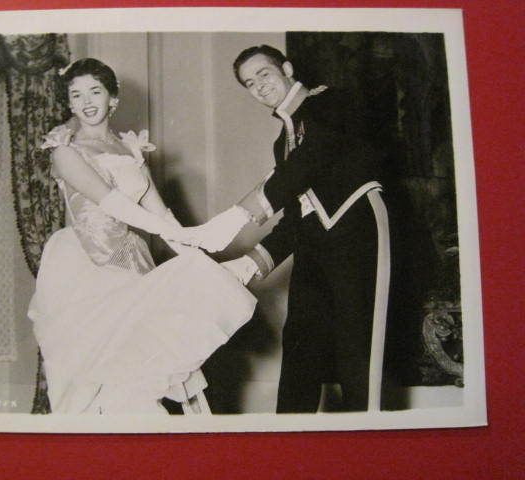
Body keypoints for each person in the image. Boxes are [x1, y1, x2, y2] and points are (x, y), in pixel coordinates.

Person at [28, 58, 256, 414]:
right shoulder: (65, 152)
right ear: (69, 103)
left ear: (112, 99)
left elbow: (163, 216)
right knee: (95, 376)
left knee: (139, 372)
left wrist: (199, 254)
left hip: (131, 262)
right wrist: (191, 236)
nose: (86, 101)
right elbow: (114, 204)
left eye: (95, 91)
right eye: (76, 95)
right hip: (85, 268)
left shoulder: (130, 152)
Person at [189, 45, 391, 413]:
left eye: (263, 74)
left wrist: (239, 215)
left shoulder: (330, 102)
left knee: (356, 348)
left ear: (287, 68)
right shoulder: (281, 142)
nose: (259, 86)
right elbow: (298, 218)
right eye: (249, 83)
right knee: (300, 345)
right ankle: (288, 444)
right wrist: (249, 263)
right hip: (313, 248)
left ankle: (367, 443)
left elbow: (310, 160)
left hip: (355, 235)